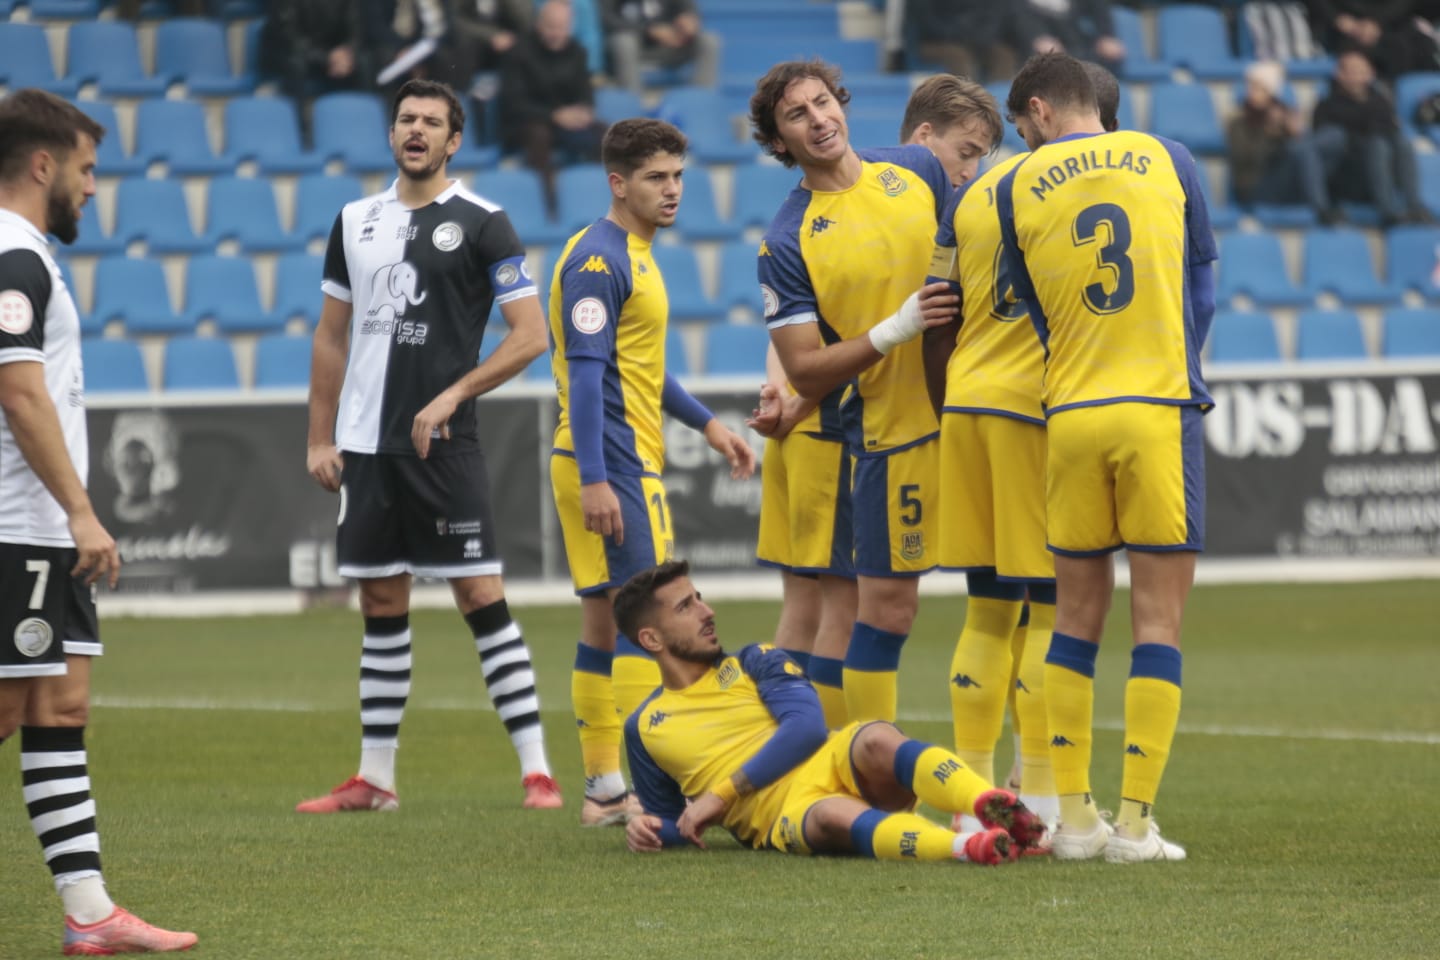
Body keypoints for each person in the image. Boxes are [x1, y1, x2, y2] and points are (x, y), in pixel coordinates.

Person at [300, 78, 563, 815]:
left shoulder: (484, 223)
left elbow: (531, 336)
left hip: (445, 446)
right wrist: (320, 436)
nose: (416, 130)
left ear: (454, 141)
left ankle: (537, 772)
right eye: (406, 119)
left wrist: (454, 393)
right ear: (393, 136)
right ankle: (375, 780)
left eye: (432, 122)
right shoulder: (354, 219)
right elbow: (330, 334)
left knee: (480, 594)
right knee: (380, 599)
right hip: (365, 447)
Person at [994, 51, 1218, 862]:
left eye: (1022, 128)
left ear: (1043, 110)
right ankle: (1135, 825)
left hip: (1074, 413)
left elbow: (1040, 312)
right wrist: (1180, 370)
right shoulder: (1170, 158)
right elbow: (1202, 290)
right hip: (1158, 411)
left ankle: (1077, 822)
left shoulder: (1017, 186)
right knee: (1156, 623)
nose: (1023, 143)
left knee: (1073, 625)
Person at [0, 88, 197, 955]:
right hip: (18, 524)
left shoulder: (29, 253)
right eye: (85, 169)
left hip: (42, 527)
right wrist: (82, 512)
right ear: (43, 165)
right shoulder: (14, 256)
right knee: (11, 705)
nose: (92, 187)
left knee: (61, 704)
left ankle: (89, 914)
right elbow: (18, 390)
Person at [742, 72, 999, 728]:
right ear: (779, 140)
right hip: (889, 433)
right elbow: (803, 365)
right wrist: (897, 329)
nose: (818, 119)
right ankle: (843, 765)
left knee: (1011, 596)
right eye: (797, 115)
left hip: (975, 417)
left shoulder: (916, 168)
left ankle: (1029, 784)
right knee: (879, 612)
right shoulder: (787, 240)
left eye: (823, 102)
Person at [922, 63, 1119, 840]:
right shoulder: (1077, 187)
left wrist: (949, 408)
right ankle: (1040, 797)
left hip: (966, 399)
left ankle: (973, 792)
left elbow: (939, 313)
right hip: (1033, 405)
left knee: (985, 604)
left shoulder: (970, 195)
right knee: (1050, 609)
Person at [547, 118, 757, 827]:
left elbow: (642, 367)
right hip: (612, 461)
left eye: (676, 177)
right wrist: (602, 477)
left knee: (604, 621)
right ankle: (642, 793)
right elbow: (586, 375)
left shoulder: (630, 251)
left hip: (602, 457)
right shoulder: (601, 261)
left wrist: (709, 424)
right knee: (651, 624)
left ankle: (606, 788)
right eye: (655, 179)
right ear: (618, 183)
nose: (672, 191)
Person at [616, 560, 1047, 862]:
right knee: (830, 815)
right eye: (686, 607)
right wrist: (648, 829)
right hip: (780, 816)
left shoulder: (755, 660)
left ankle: (986, 803)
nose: (707, 611)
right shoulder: (643, 728)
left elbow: (806, 729)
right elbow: (677, 822)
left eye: (700, 598)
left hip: (833, 759)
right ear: (652, 640)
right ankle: (963, 848)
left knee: (876, 736)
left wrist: (720, 794)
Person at [498, 0, 609, 213]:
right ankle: (550, 206)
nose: (556, 33)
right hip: (529, 122)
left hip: (566, 123)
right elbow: (514, 103)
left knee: (608, 135)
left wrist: (584, 112)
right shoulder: (518, 52)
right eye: (551, 26)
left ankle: (599, 198)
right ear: (539, 24)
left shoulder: (577, 51)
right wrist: (554, 115)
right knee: (539, 134)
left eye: (562, 27)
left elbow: (586, 93)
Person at [1312, 50, 1435, 227]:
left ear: (1371, 73)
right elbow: (1329, 144)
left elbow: (1390, 127)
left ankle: (1414, 205)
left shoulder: (1380, 100)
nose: (1359, 76)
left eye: (1363, 71)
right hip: (1348, 175)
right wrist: (1370, 130)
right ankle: (1387, 211)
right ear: (1339, 74)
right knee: (1378, 144)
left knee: (1402, 142)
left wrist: (1368, 128)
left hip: (1381, 167)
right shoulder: (1326, 105)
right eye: (1353, 71)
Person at [1226, 60, 1339, 224]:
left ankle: (1323, 202)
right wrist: (1269, 133)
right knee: (1301, 149)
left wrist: (1294, 133)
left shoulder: (1284, 114)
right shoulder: (1238, 121)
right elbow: (1244, 159)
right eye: (1251, 87)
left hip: (1287, 183)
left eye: (1260, 88)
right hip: (1256, 186)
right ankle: (1322, 208)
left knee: (1329, 137)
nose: (1252, 92)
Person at [599, 0, 720, 93]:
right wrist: (648, 31)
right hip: (634, 45)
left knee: (709, 40)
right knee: (623, 42)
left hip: (672, 43)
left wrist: (689, 22)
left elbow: (689, 11)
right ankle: (632, 102)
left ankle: (702, 99)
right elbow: (607, 19)